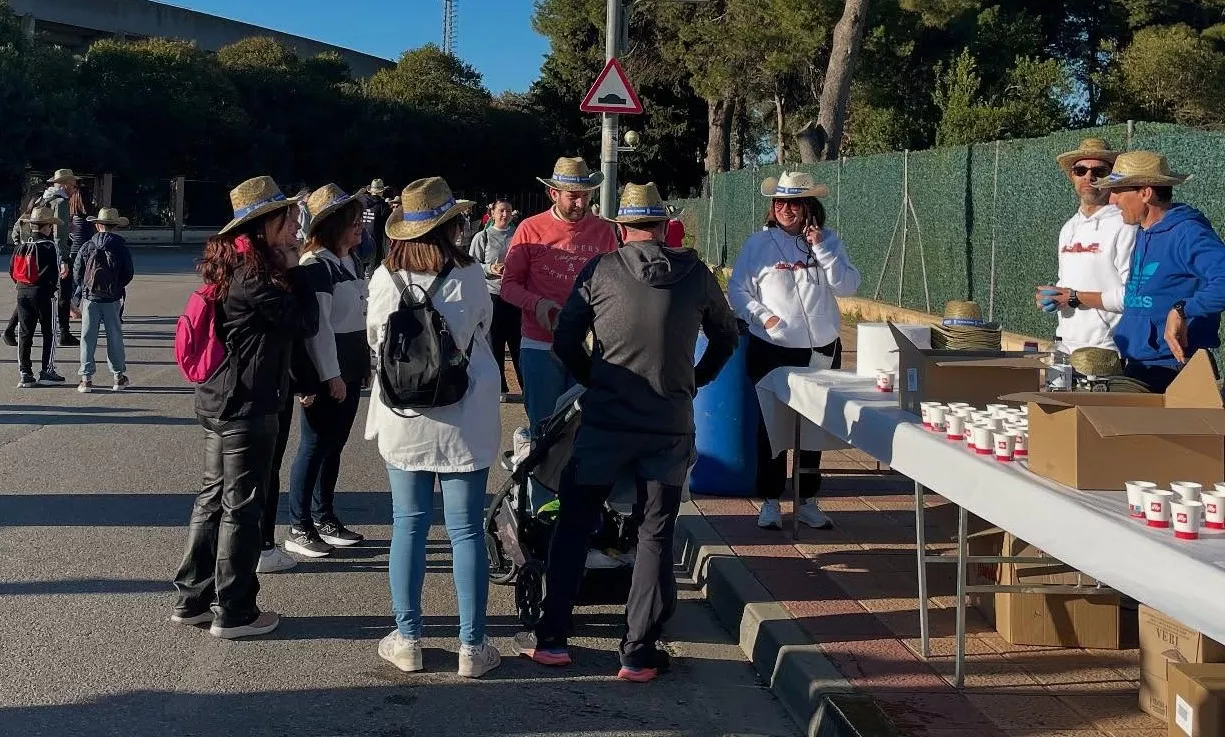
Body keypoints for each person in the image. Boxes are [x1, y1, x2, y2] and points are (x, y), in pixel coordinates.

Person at [512, 182, 739, 682]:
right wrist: (696, 379)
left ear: (620, 228)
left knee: (574, 522)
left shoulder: (600, 270)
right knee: (654, 532)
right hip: (668, 425)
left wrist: (596, 377)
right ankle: (637, 651)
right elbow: (728, 335)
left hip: (605, 422)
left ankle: (552, 638)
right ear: (663, 226)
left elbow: (567, 338)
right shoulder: (696, 274)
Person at [365, 177, 501, 678]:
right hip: (464, 414)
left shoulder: (383, 277)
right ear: (450, 226)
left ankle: (407, 639)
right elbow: (482, 329)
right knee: (465, 530)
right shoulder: (470, 276)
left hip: (406, 417)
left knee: (409, 525)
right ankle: (472, 647)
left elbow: (375, 342)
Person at [172, 176, 318, 639]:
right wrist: (298, 270)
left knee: (212, 498)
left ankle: (192, 599)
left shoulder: (234, 262)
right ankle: (235, 610)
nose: (296, 227)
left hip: (220, 397)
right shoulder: (258, 275)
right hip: (247, 403)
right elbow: (306, 321)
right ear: (265, 225)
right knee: (242, 506)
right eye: (289, 219)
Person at [728, 171, 862, 531]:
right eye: (780, 202)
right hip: (772, 348)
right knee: (772, 428)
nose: (787, 209)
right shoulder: (758, 244)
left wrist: (822, 248)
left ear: (808, 207)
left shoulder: (829, 241)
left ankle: (807, 500)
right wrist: (765, 317)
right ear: (773, 207)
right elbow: (738, 291)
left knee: (815, 425)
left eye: (795, 203)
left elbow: (848, 286)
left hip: (821, 349)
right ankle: (770, 501)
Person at [500, 157, 620, 509]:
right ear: (554, 193)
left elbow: (615, 285)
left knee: (586, 430)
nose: (580, 202)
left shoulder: (604, 231)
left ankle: (580, 512)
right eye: (572, 195)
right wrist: (537, 305)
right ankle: (541, 510)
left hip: (588, 348)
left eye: (586, 195)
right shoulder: (530, 229)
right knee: (545, 429)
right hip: (540, 346)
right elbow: (508, 286)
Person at [1091, 151, 1225, 391]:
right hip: (1139, 366)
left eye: (1119, 190)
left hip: (1175, 371)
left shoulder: (1188, 233)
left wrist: (1182, 310)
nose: (1112, 200)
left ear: (1145, 193)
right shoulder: (1143, 232)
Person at [285, 185, 369, 558]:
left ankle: (325, 517)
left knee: (335, 444)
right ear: (332, 226)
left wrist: (361, 364)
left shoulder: (349, 260)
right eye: (353, 223)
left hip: (350, 362)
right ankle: (298, 524)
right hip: (326, 368)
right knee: (314, 444)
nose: (360, 229)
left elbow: (358, 315)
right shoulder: (315, 266)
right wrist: (330, 375)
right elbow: (318, 328)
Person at [1033, 139, 1136, 352]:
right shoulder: (1068, 228)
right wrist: (1052, 297)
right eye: (1081, 170)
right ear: (1073, 176)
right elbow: (1067, 282)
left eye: (1099, 170)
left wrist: (1073, 298)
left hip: (1107, 349)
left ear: (1112, 178)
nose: (1089, 176)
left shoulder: (1125, 224)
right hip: (1064, 346)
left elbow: (1132, 296)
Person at [73, 208, 134, 394]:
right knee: (114, 336)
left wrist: (84, 288)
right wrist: (116, 287)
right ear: (115, 226)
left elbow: (77, 272)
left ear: (97, 225)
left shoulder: (87, 245)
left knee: (87, 337)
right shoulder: (120, 247)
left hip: (90, 297)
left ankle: (86, 379)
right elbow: (128, 273)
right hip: (112, 298)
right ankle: (118, 377)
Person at [469, 198, 522, 401]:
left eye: (508, 211)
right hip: (492, 294)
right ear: (492, 213)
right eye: (501, 211)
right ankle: (500, 387)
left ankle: (526, 385)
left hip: (515, 295)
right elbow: (472, 264)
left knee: (518, 342)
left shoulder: (519, 235)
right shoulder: (482, 237)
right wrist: (489, 268)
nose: (504, 215)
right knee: (495, 343)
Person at [10, 207, 65, 388]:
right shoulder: (50, 246)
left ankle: (24, 372)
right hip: (43, 293)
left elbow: (13, 271)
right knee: (49, 331)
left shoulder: (21, 246)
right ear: (47, 226)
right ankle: (47, 370)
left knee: (25, 333)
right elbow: (56, 274)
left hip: (22, 291)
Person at [360, 178, 393, 271]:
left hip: (359, 239)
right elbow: (387, 225)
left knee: (359, 271)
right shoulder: (383, 205)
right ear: (382, 191)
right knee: (373, 273)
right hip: (375, 242)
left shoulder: (360, 202)